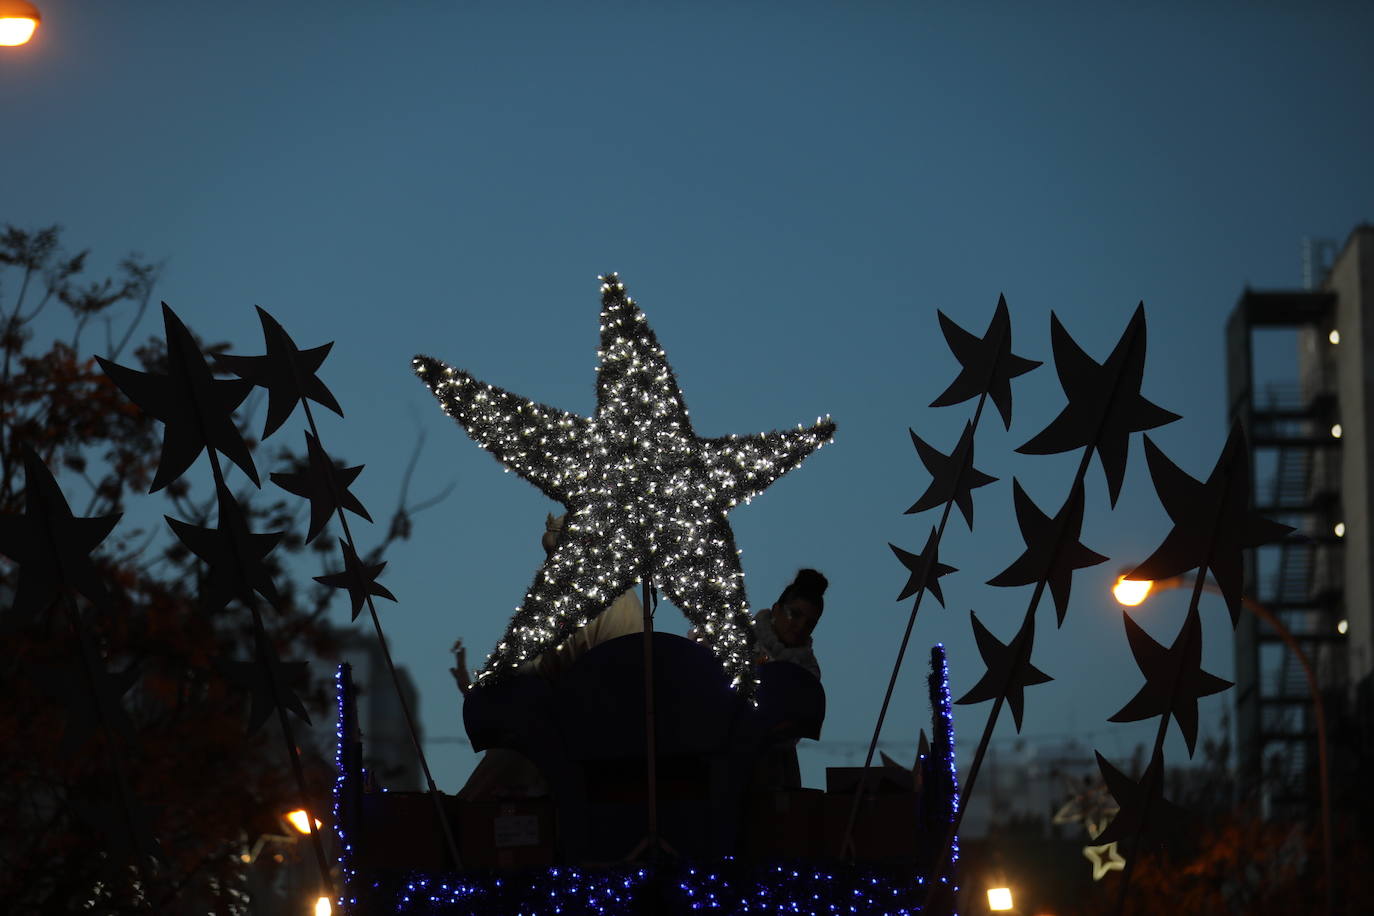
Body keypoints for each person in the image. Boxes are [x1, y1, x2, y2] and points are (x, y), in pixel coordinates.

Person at [449, 513, 645, 799]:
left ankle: (464, 811)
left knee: (516, 729)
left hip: (590, 719)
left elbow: (534, 668)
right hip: (617, 714)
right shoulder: (621, 591)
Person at [751, 568, 827, 681]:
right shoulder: (742, 638)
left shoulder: (808, 674)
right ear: (776, 609)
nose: (801, 626)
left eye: (810, 623)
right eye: (795, 614)